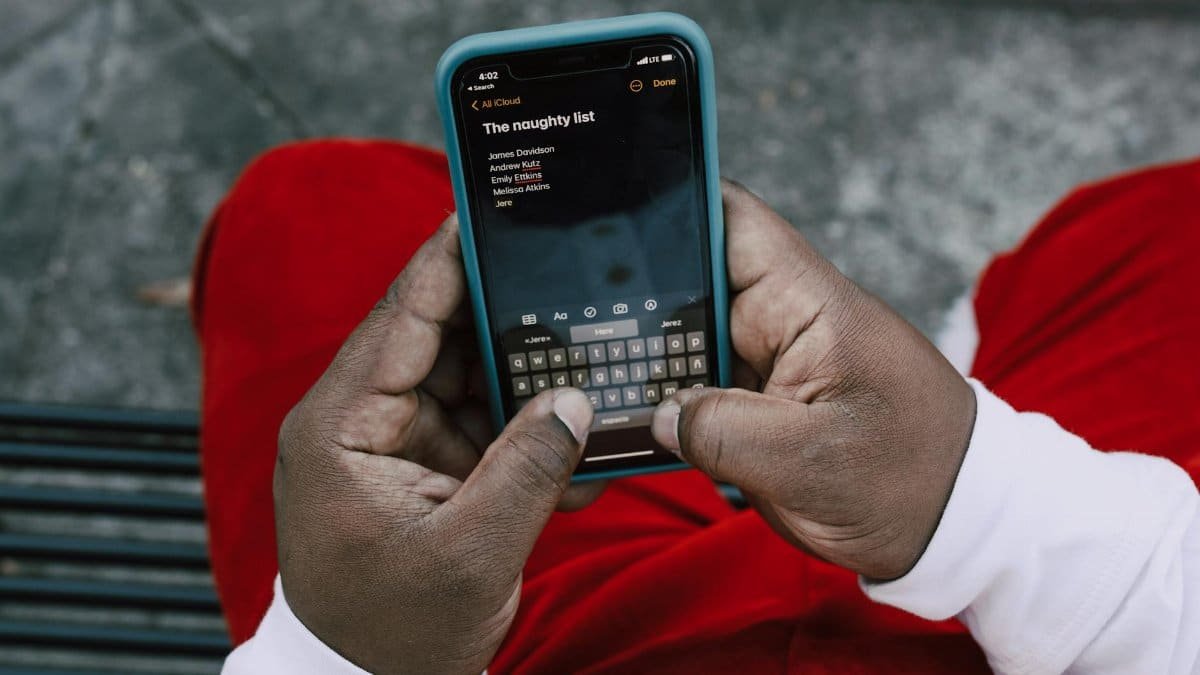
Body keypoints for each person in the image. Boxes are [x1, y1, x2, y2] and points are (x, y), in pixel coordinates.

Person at [191, 139, 1199, 674]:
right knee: (1173, 230)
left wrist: (338, 653)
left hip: (553, 646)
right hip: (1005, 629)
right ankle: (978, 378)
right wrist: (967, 497)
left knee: (311, 203)